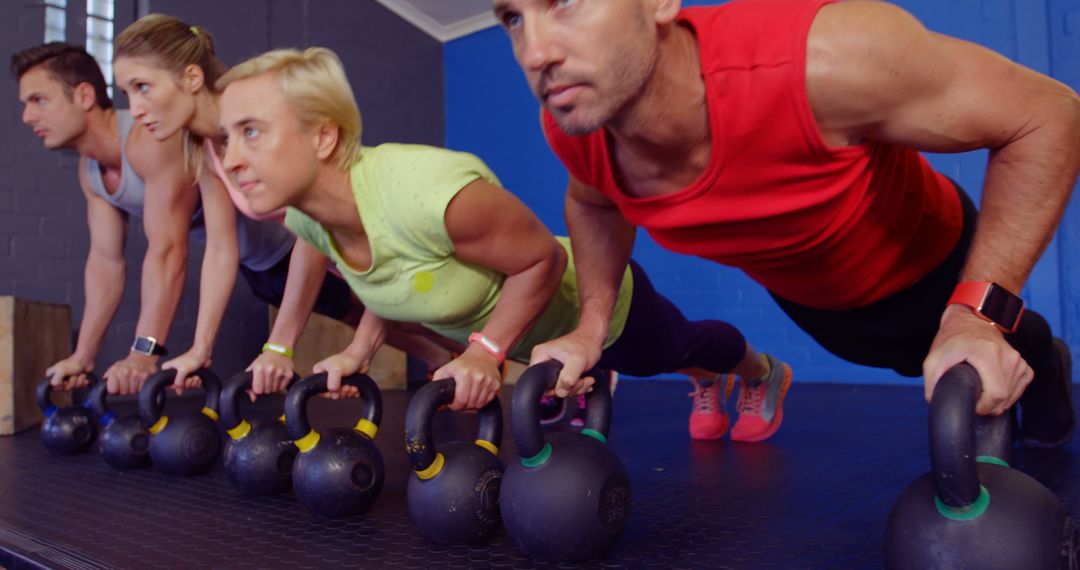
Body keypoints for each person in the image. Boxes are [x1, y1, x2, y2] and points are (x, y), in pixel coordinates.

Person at [494, 0, 1079, 446]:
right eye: (512, 18)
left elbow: (1046, 116)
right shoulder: (578, 126)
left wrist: (977, 315)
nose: (535, 53)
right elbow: (596, 204)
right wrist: (591, 328)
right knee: (903, 361)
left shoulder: (827, 59)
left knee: (998, 360)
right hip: (817, 306)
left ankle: (1044, 359)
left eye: (564, 0)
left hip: (935, 264)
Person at [214, 46, 791, 442]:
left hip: (590, 303)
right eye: (226, 137)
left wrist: (485, 353)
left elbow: (544, 258)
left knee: (674, 350)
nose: (231, 159)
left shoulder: (425, 193)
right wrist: (356, 353)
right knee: (677, 360)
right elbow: (384, 279)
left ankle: (760, 371)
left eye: (252, 132)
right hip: (527, 342)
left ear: (322, 136)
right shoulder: (315, 220)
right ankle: (707, 381)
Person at [111, 15, 452, 395]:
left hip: (363, 232)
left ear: (191, 78)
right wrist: (200, 348)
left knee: (434, 314)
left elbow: (314, 225)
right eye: (127, 93)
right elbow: (222, 251)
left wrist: (279, 345)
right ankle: (455, 361)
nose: (135, 110)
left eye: (142, 87)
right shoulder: (204, 148)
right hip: (330, 247)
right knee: (408, 318)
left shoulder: (251, 114)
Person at [12, 42, 205, 395]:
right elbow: (106, 263)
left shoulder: (149, 137)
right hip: (255, 265)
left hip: (288, 244)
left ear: (84, 95)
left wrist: (144, 353)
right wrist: (83, 356)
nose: (27, 116)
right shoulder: (91, 173)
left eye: (38, 100)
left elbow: (168, 250)